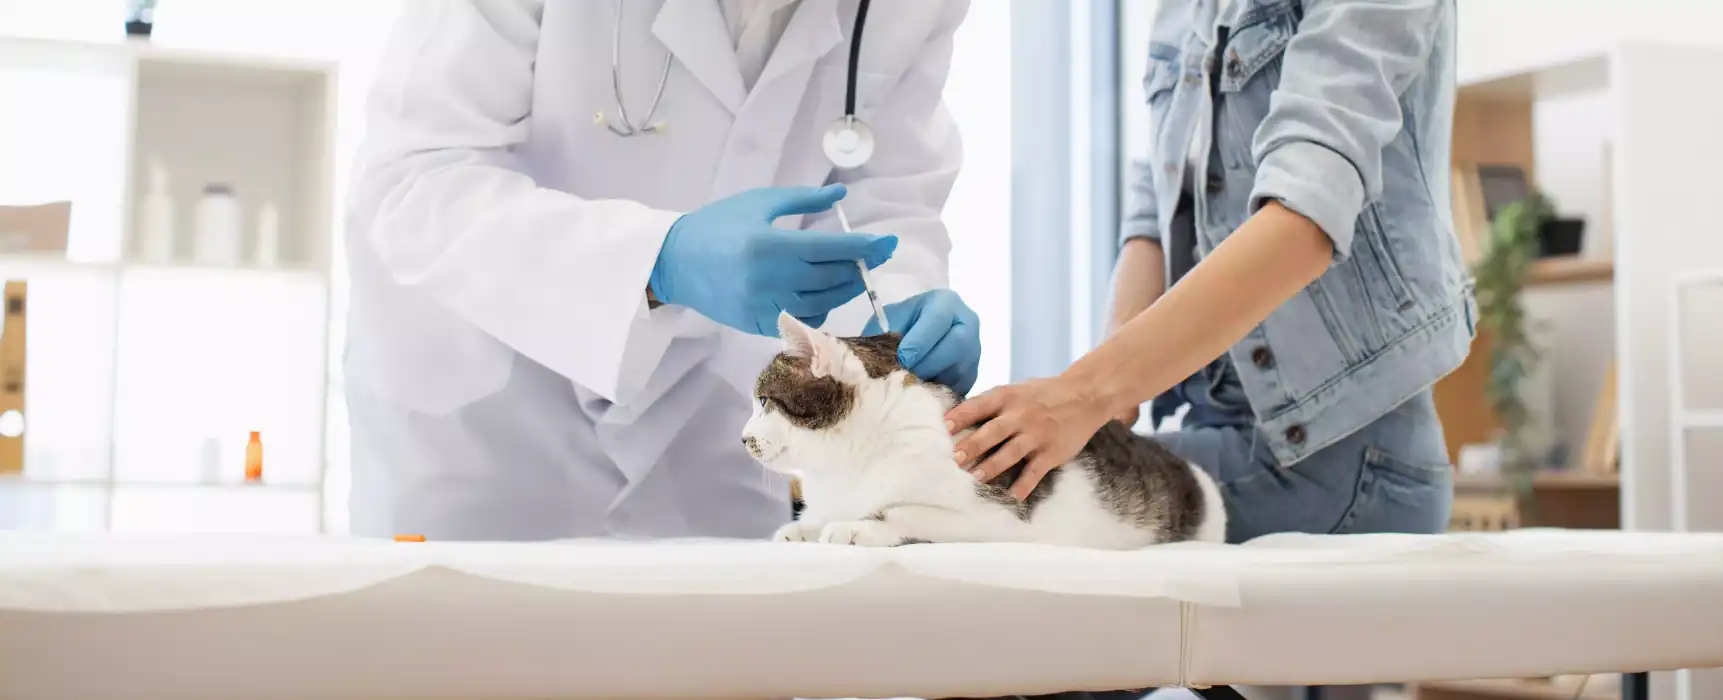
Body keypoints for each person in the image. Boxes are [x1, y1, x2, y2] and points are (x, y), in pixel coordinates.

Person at [343, 0, 979, 542]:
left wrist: (894, 317)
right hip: (492, 426)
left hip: (710, 435)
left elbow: (883, 198)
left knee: (715, 670)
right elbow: (415, 183)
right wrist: (655, 261)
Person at [951, 0, 1462, 545]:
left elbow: (1307, 215)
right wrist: (1104, 411)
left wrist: (1082, 394)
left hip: (1339, 461)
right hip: (1215, 429)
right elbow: (1155, 207)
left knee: (986, 515)